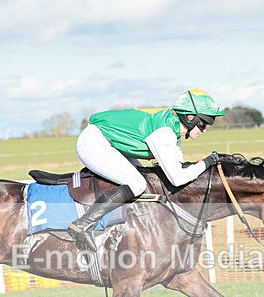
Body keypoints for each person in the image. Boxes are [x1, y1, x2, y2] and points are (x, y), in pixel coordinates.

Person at [67, 89, 224, 251]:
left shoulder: (173, 130)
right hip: (93, 143)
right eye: (203, 124)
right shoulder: (165, 133)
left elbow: (180, 166)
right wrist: (206, 162)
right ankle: (83, 224)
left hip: (110, 142)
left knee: (145, 181)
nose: (204, 130)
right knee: (137, 184)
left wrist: (205, 164)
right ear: (190, 118)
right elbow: (177, 179)